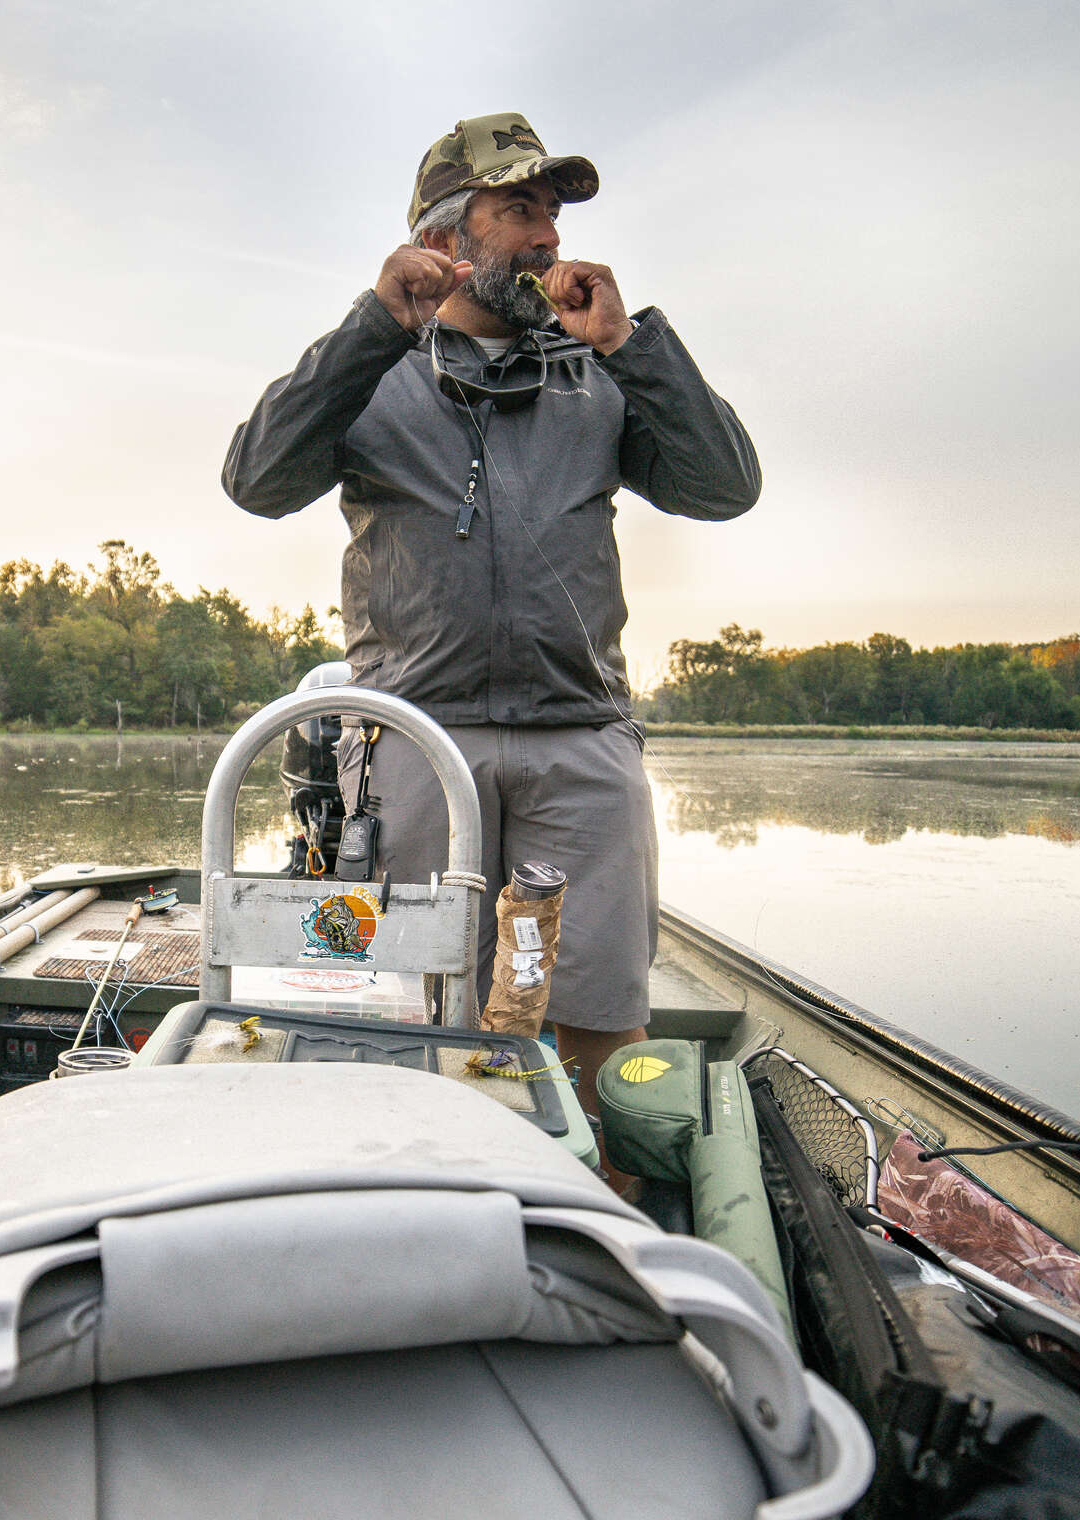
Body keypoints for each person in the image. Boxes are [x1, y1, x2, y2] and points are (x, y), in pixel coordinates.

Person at [221, 113, 760, 1176]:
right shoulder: (378, 368)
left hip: (581, 738)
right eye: (521, 211)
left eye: (552, 214)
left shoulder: (600, 369)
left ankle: (605, 1226)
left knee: (603, 1005)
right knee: (431, 1010)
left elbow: (724, 487)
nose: (548, 237)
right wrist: (375, 324)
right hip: (422, 739)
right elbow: (257, 479)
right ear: (446, 235)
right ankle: (438, 1196)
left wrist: (631, 345)